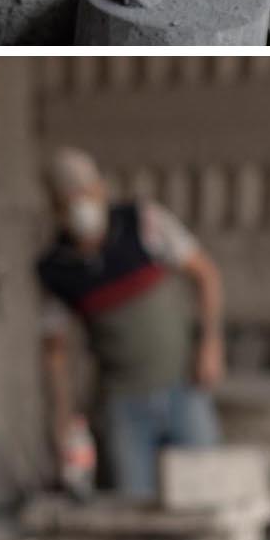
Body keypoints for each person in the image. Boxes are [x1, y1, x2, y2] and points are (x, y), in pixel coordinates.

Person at [36, 147, 227, 501]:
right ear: (56, 209)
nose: (80, 206)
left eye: (85, 193)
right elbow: (55, 352)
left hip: (182, 387)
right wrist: (61, 418)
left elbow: (205, 274)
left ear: (101, 190)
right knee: (133, 507)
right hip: (123, 405)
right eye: (68, 200)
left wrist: (210, 344)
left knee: (206, 495)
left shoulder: (144, 222)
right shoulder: (56, 269)